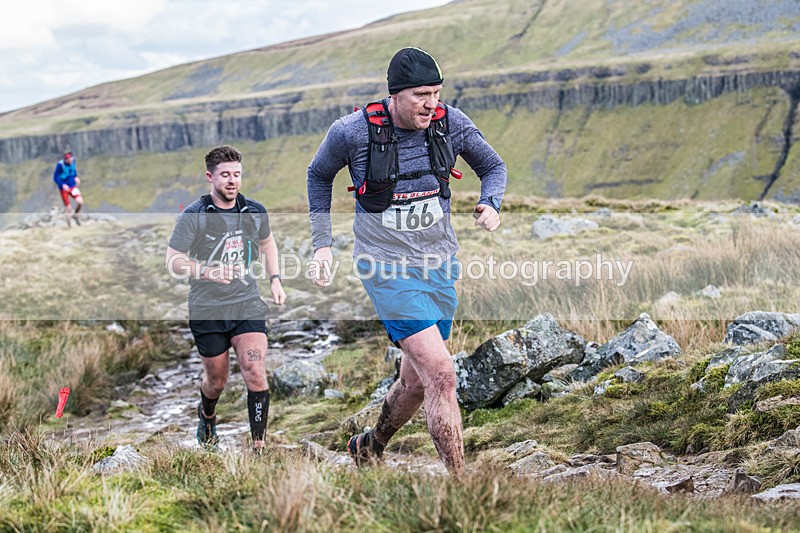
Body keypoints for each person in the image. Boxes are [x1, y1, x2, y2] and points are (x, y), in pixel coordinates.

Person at [306, 47, 506, 475]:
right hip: (386, 269)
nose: (431, 103)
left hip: (438, 265)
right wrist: (322, 244)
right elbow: (319, 174)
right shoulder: (352, 133)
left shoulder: (451, 123)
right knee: (441, 373)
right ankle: (461, 486)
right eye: (420, 95)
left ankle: (370, 444)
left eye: (436, 93)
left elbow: (493, 165)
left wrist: (491, 203)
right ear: (395, 95)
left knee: (415, 381)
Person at [166, 145, 286, 453]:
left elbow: (267, 244)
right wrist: (206, 271)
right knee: (216, 381)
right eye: (225, 175)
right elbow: (173, 260)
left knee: (255, 370)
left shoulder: (254, 211)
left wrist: (275, 281)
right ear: (210, 176)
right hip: (207, 309)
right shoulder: (195, 215)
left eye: (237, 174)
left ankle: (259, 447)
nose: (232, 181)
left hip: (246, 302)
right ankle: (207, 415)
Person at [53, 151, 84, 227]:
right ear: (66, 160)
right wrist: (62, 184)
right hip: (64, 189)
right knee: (68, 208)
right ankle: (69, 226)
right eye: (68, 160)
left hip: (72, 186)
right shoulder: (60, 165)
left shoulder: (73, 162)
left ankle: (75, 215)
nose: (70, 161)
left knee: (80, 202)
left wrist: (76, 177)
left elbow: (73, 171)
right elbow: (55, 177)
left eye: (71, 159)